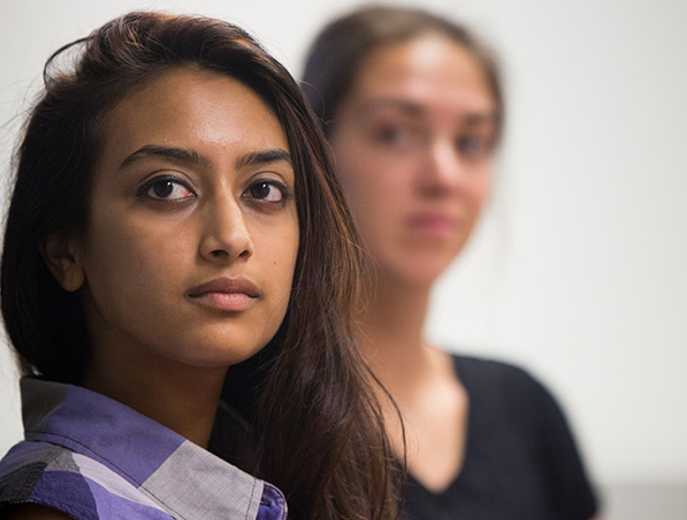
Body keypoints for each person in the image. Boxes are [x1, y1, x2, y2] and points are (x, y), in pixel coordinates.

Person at [0, 11, 398, 520]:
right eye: (166, 187)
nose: (231, 238)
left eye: (263, 190)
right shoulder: (58, 506)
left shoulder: (274, 467)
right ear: (66, 252)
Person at [302, 5, 600, 519]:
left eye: (471, 142)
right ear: (315, 149)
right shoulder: (249, 416)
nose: (444, 176)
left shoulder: (525, 410)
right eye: (394, 132)